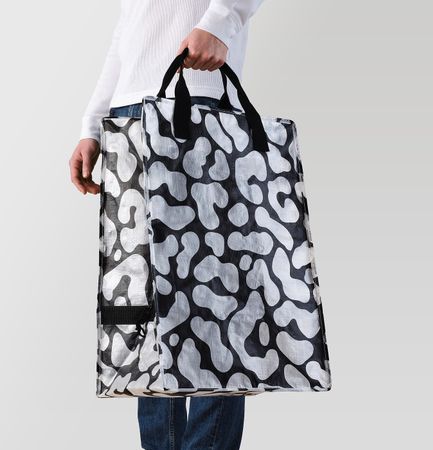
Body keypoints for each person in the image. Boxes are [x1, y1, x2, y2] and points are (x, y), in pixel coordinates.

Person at [69, 1, 264, 449]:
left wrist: (221, 21)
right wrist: (93, 124)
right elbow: (130, 26)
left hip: (198, 94)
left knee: (216, 298)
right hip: (127, 118)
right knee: (145, 303)